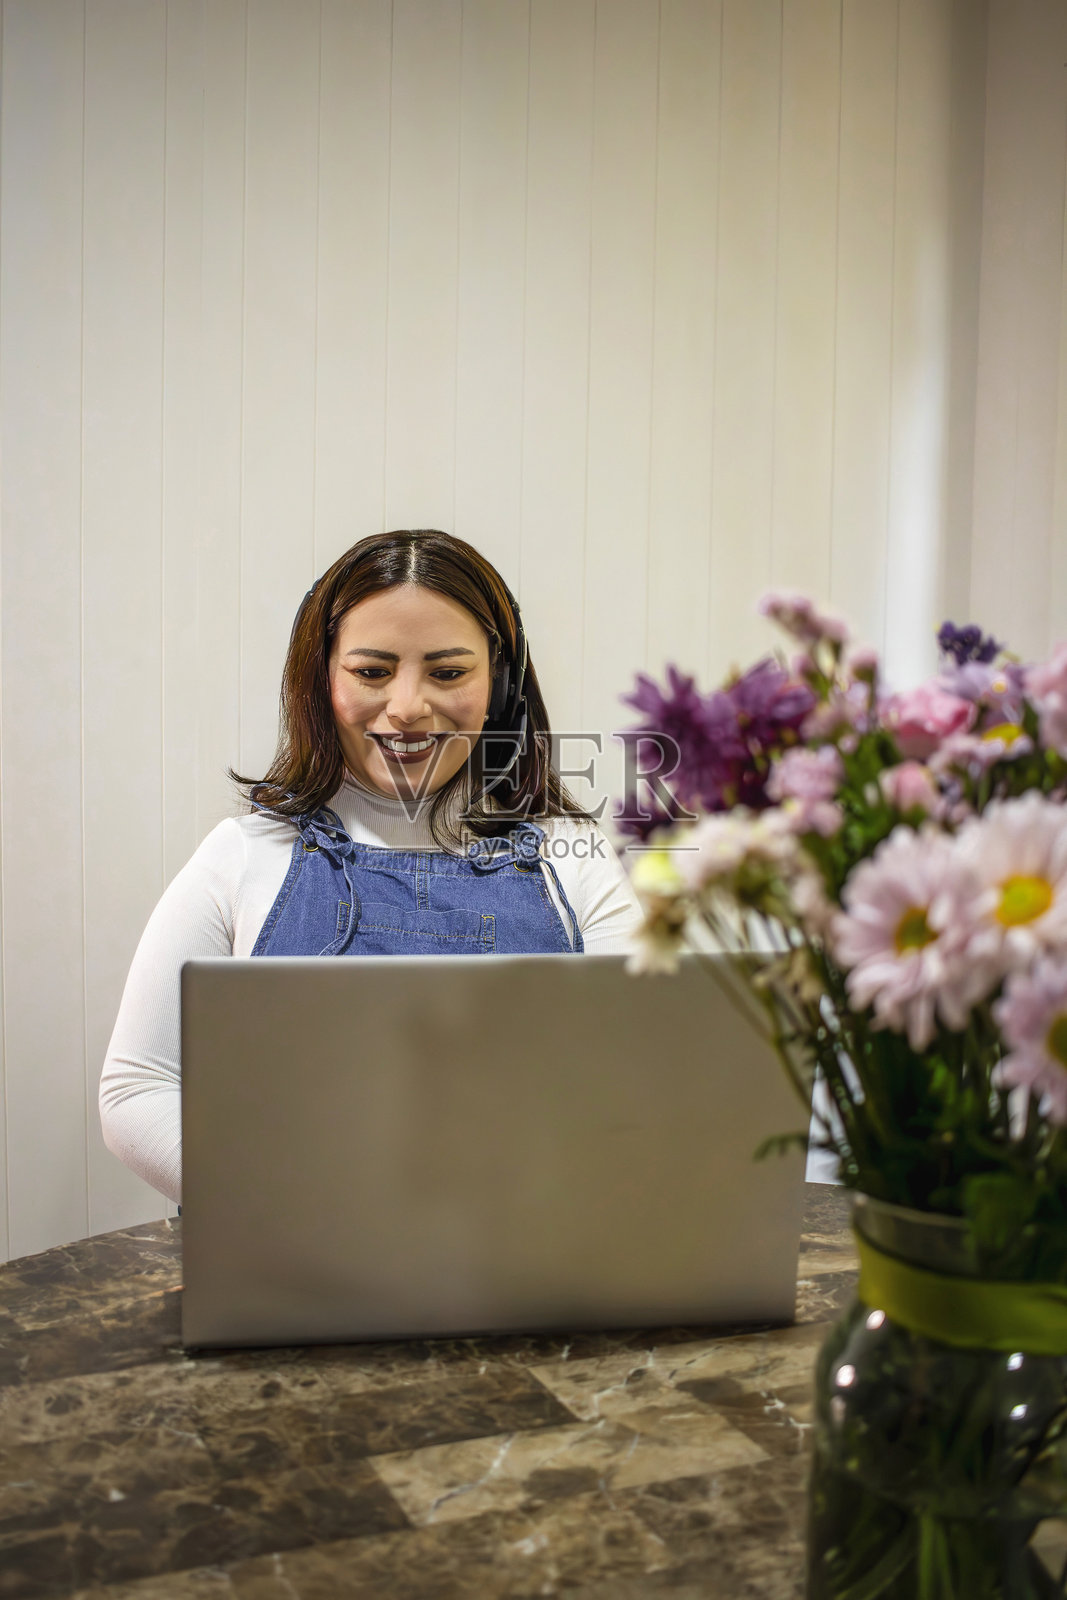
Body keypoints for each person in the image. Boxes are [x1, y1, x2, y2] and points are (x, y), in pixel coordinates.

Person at [99, 529, 644, 1204]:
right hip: (288, 1250)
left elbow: (640, 1077)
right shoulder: (243, 854)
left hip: (526, 1244)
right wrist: (295, 1205)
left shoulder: (575, 857)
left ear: (500, 686)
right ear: (322, 678)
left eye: (448, 673)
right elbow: (137, 1088)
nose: (407, 707)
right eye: (372, 672)